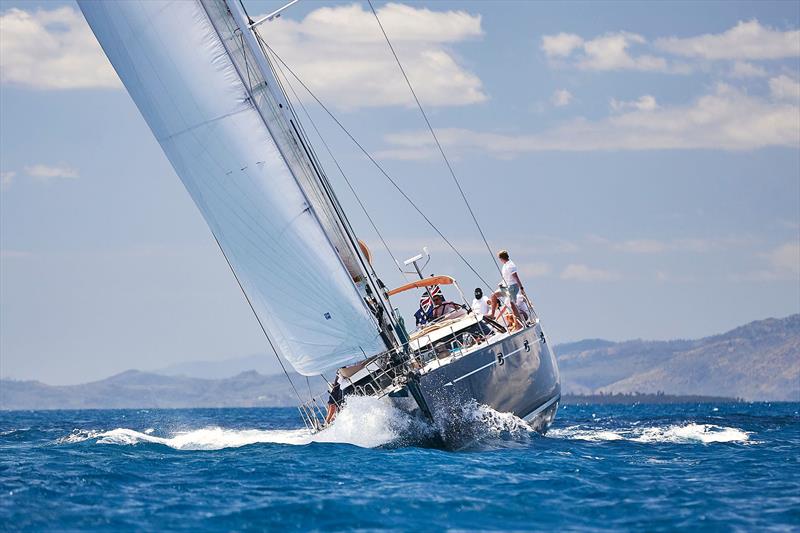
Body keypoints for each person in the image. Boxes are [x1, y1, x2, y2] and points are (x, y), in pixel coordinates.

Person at [497, 249, 525, 321]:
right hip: (507, 287)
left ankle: (519, 322)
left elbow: (516, 277)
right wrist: (501, 283)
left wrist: (521, 288)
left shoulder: (510, 265)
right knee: (494, 295)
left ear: (501, 258)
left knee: (512, 304)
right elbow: (507, 278)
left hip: (513, 286)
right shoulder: (505, 265)